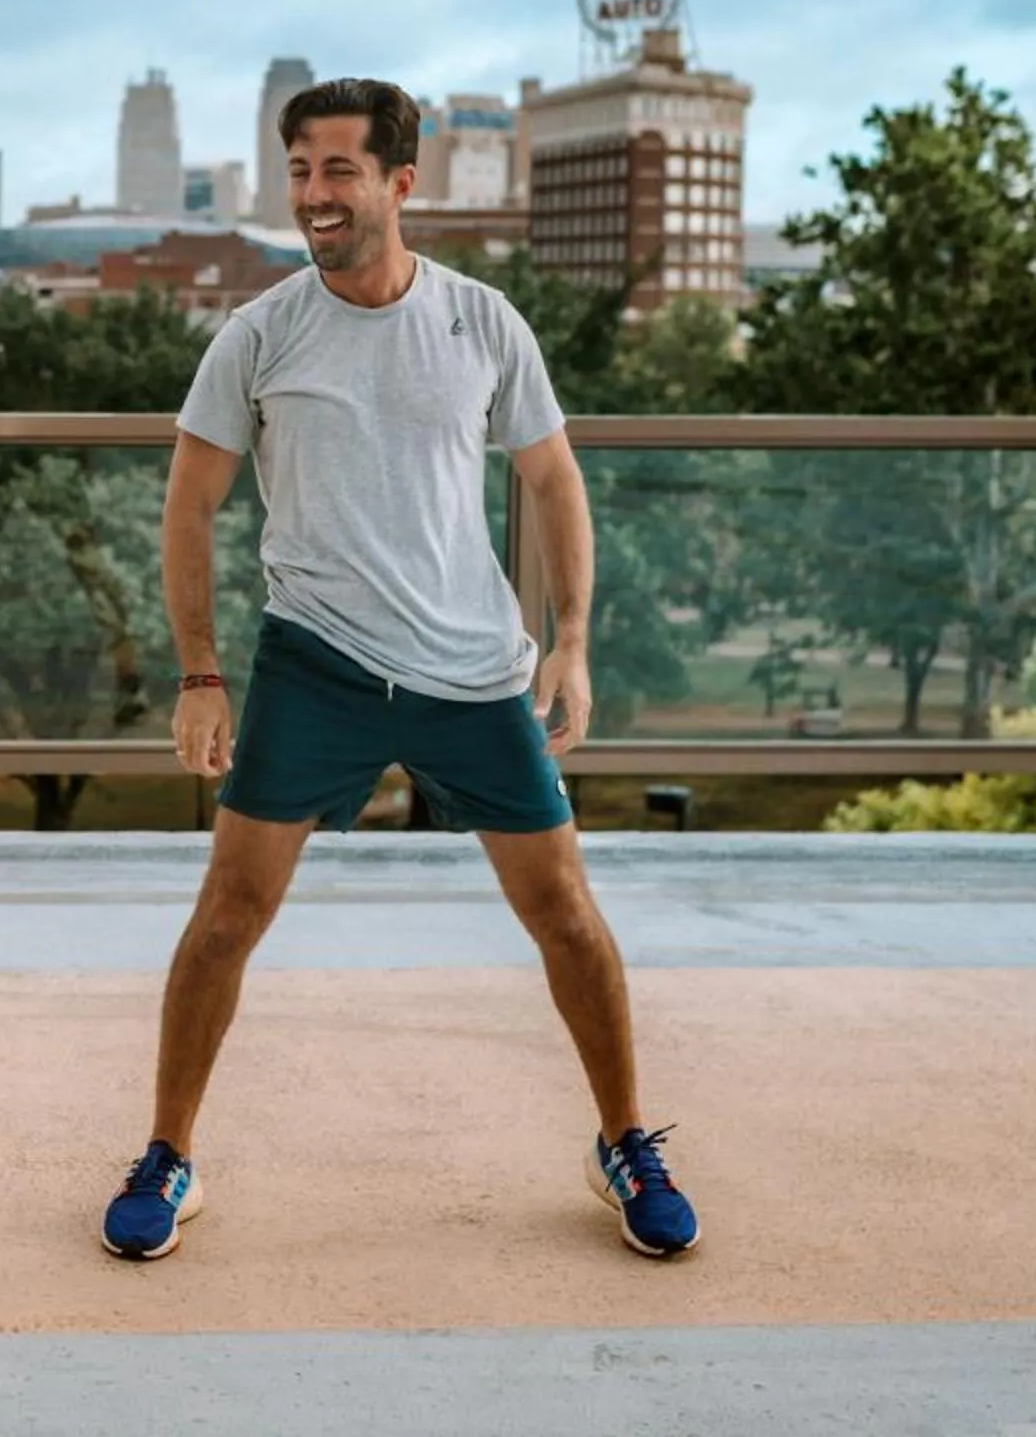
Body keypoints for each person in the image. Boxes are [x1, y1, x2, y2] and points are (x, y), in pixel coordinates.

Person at [99, 79, 699, 1264]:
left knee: (565, 915)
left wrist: (570, 640)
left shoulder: (482, 323)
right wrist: (200, 671)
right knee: (227, 916)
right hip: (314, 661)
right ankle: (168, 1155)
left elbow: (554, 478)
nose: (315, 195)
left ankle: (624, 1140)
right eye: (302, 172)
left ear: (400, 182)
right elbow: (189, 506)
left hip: (472, 669)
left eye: (339, 171)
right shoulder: (260, 333)